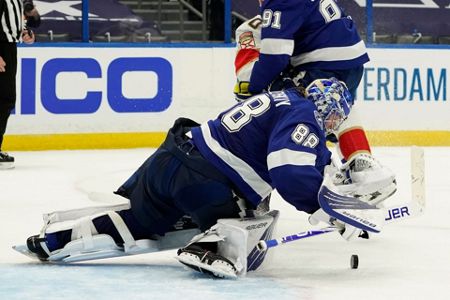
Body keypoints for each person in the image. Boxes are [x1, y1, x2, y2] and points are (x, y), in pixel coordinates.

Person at [21, 79, 392, 278]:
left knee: (140, 221)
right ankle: (210, 246)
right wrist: (321, 208)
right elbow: (289, 171)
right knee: (253, 220)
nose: (330, 127)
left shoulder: (283, 98)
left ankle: (55, 240)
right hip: (205, 181)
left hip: (168, 161)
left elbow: (306, 161)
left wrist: (334, 185)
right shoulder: (304, 115)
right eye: (333, 119)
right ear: (328, 109)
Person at [233, 0, 396, 201]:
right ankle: (362, 164)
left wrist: (256, 90)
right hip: (351, 61)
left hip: (320, 63)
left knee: (303, 117)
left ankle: (328, 173)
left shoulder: (258, 22)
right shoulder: (293, 10)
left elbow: (259, 69)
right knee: (337, 109)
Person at [0, 0, 40, 169]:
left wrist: (25, 32)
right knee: (4, 99)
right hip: (2, 48)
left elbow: (20, 18)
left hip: (9, 47)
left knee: (6, 99)